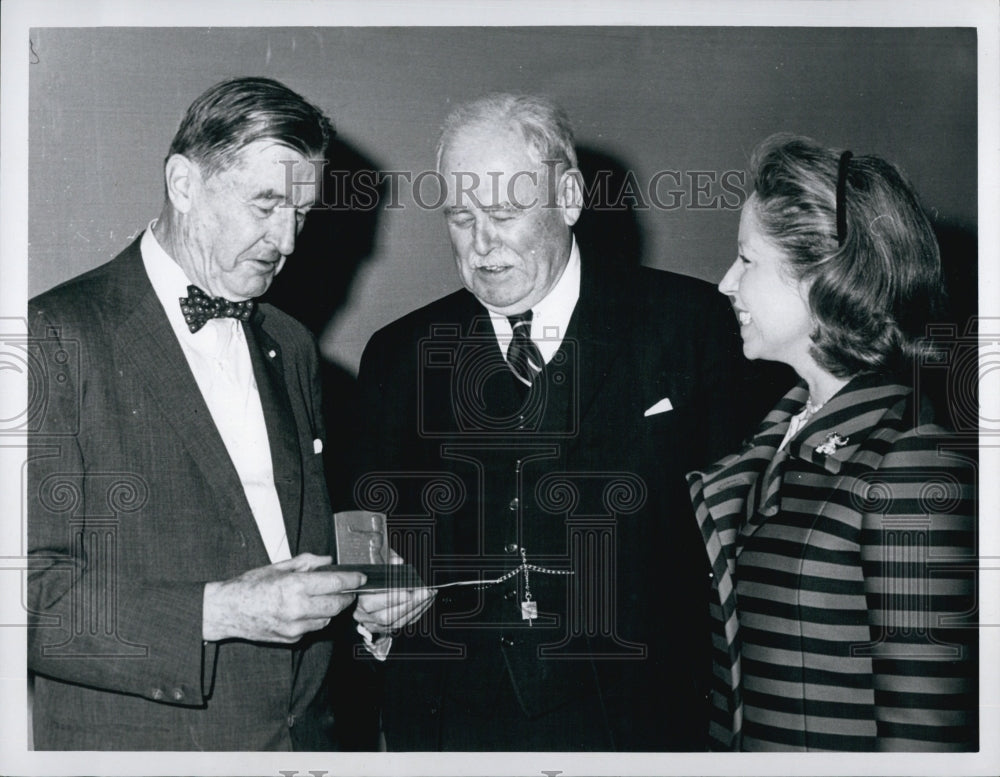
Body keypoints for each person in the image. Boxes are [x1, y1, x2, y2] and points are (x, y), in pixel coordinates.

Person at [348, 93, 780, 750]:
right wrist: (375, 606)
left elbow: (750, 552)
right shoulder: (397, 356)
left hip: (638, 729)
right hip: (450, 730)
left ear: (570, 197)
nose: (481, 242)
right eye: (460, 217)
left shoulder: (691, 329)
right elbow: (366, 541)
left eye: (504, 212)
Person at [27, 77, 378, 750]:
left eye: (301, 214)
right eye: (267, 205)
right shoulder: (52, 336)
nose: (289, 241)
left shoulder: (293, 343)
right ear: (184, 184)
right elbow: (25, 599)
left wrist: (367, 591)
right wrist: (219, 610)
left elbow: (287, 549)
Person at [687, 134, 977, 751]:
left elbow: (924, 733)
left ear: (822, 277)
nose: (724, 284)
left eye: (746, 259)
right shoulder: (778, 434)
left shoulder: (908, 457)